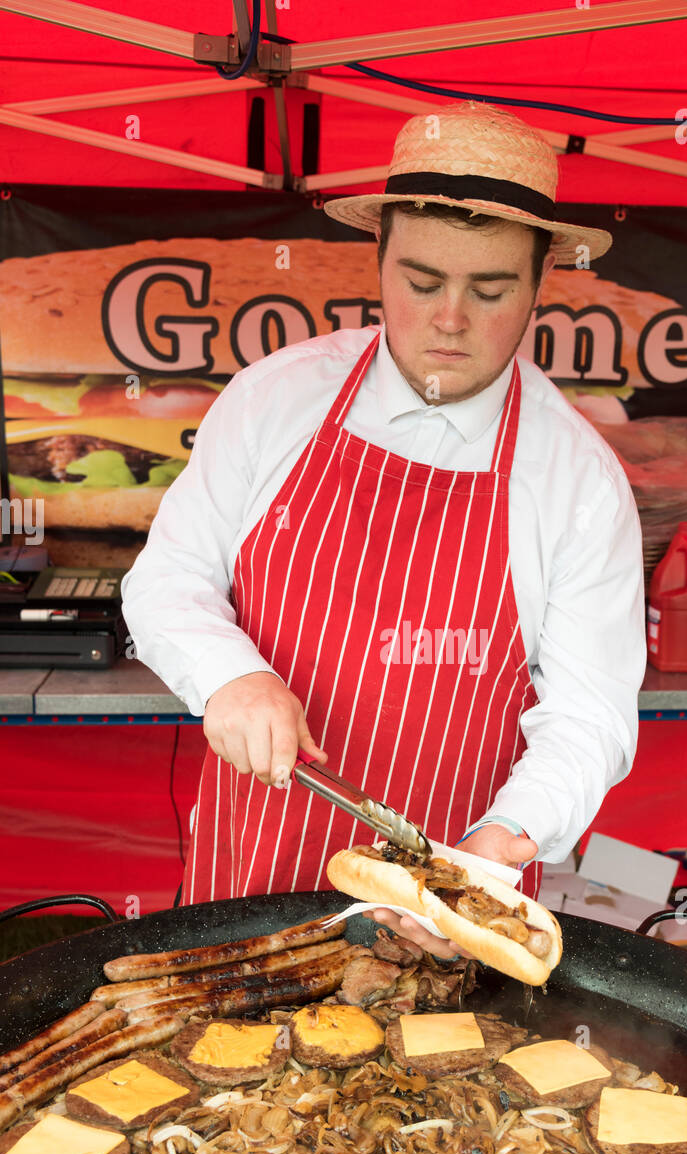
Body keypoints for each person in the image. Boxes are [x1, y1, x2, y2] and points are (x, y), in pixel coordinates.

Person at [121, 100, 646, 959]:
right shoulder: (275, 397)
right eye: (421, 280)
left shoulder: (576, 480)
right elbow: (167, 579)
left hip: (445, 897)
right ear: (377, 258)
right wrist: (230, 676)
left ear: (542, 279)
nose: (450, 319)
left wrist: (495, 852)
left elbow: (589, 714)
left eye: (489, 289)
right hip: (252, 861)